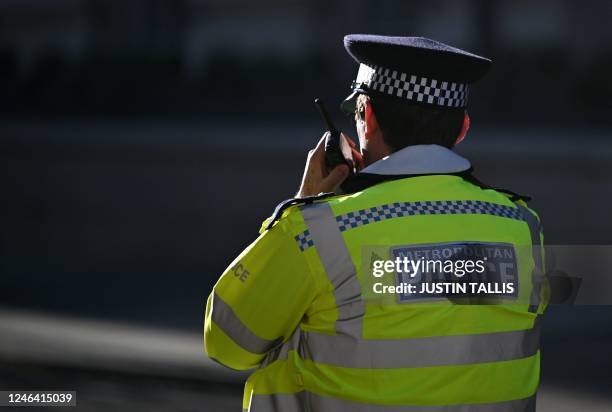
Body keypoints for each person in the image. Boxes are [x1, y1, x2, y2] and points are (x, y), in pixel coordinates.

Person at [204, 34, 548, 411]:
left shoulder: (320, 232)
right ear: (463, 127)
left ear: (366, 115)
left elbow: (226, 342)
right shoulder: (522, 227)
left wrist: (302, 207)